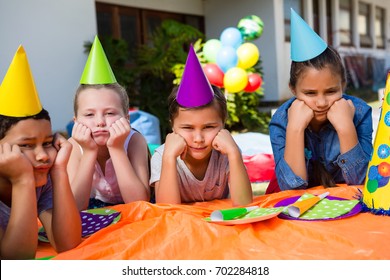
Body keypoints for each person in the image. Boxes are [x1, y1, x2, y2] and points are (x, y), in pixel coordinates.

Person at [267, 9, 373, 193]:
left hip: (345, 203)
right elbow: (291, 188)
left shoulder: (360, 112)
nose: (322, 102)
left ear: (343, 85)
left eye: (331, 91)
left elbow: (362, 181)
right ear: (293, 89)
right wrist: (295, 128)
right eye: (310, 93)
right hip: (299, 208)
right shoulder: (281, 121)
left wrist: (345, 127)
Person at [0, 46, 81, 259]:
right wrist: (22, 181)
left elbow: (68, 243)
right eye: (26, 145)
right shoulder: (27, 178)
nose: (43, 155)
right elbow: (15, 262)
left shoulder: (41, 179)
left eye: (47, 142)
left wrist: (60, 171)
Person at [150, 46, 253, 206]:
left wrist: (234, 154)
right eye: (188, 128)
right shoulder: (162, 156)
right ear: (173, 126)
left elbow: (244, 204)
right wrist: (169, 159)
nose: (198, 139)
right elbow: (167, 211)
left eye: (208, 127)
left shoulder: (227, 152)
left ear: (223, 125)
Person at [67, 36, 150, 210]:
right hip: (94, 208)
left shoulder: (135, 141)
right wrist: (89, 152)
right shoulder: (73, 146)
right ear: (76, 121)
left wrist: (117, 148)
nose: (99, 122)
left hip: (132, 210)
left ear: (126, 119)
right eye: (89, 114)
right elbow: (73, 207)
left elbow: (139, 203)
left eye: (110, 113)